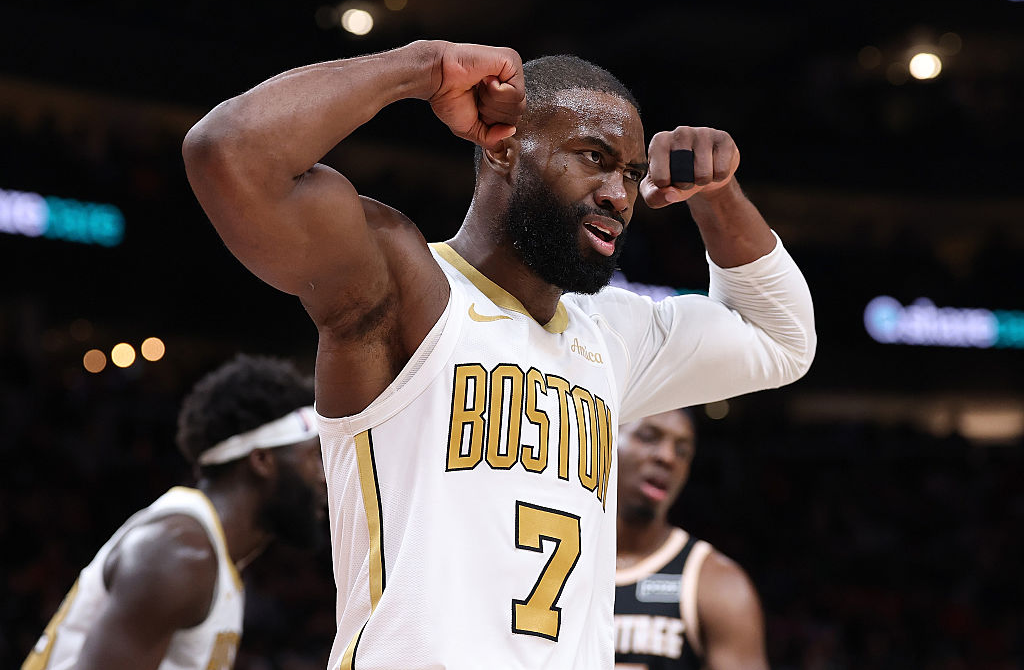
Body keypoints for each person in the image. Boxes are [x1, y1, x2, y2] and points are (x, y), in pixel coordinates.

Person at [181, 40, 816, 669]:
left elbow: (781, 340)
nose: (618, 195)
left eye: (627, 172)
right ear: (503, 144)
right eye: (592, 158)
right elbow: (229, 154)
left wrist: (719, 194)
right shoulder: (406, 287)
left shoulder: (611, 336)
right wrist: (421, 69)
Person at [22, 354, 328, 670]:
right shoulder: (180, 555)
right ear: (262, 460)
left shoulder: (210, 555)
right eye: (315, 456)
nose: (326, 475)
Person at [615, 409, 769, 670]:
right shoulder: (549, 557)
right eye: (648, 437)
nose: (667, 457)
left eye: (682, 451)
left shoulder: (719, 583)